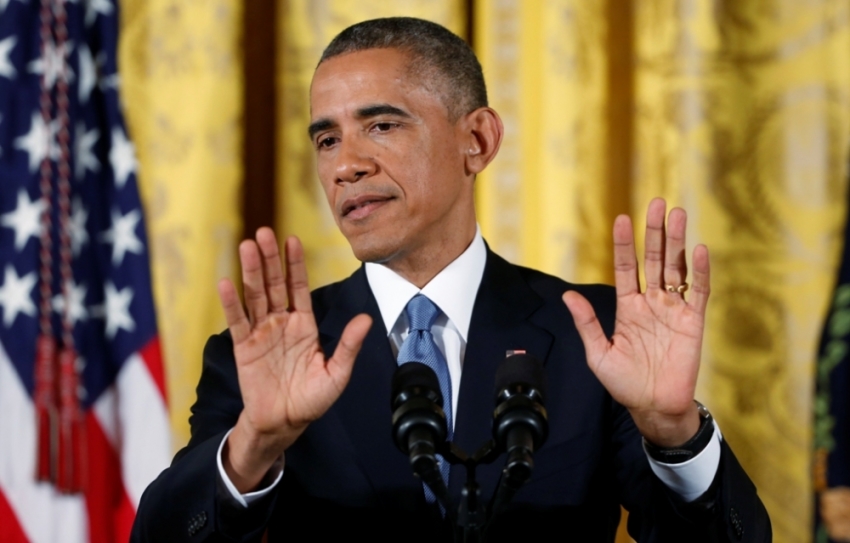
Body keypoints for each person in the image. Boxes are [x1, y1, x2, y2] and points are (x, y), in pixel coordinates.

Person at [131, 17, 770, 542]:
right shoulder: (268, 353)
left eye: (380, 125)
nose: (345, 166)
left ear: (478, 140)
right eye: (327, 139)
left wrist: (676, 433)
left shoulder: (597, 336)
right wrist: (254, 446)